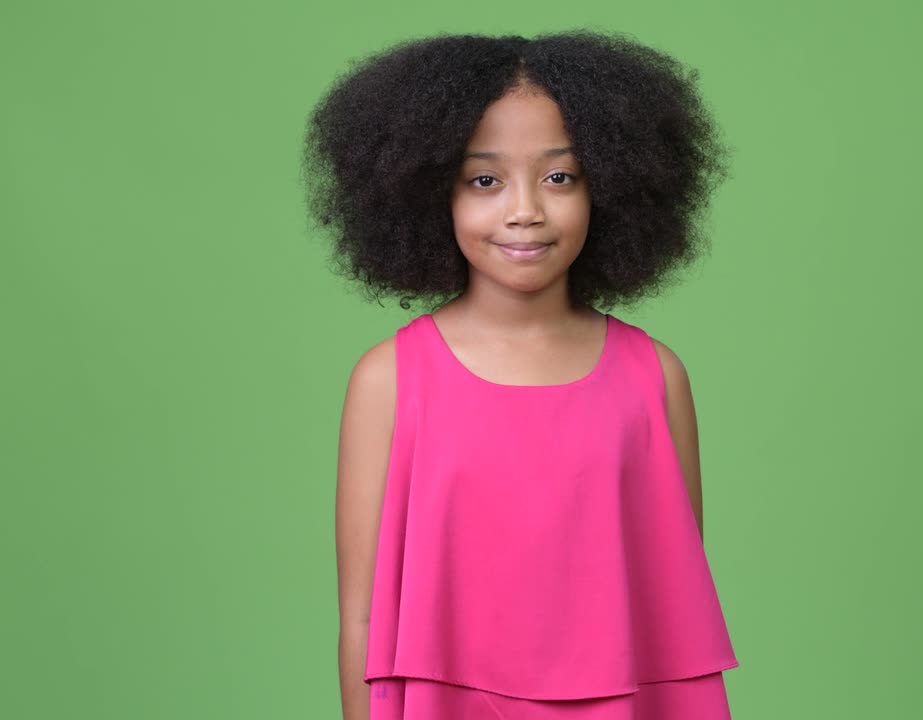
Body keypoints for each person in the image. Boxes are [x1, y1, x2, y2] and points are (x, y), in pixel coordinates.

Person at [304, 29, 737, 720]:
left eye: (560, 176)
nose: (525, 209)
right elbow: (360, 619)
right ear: (428, 193)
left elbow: (670, 609)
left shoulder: (654, 377)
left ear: (614, 186)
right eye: (484, 180)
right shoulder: (388, 380)